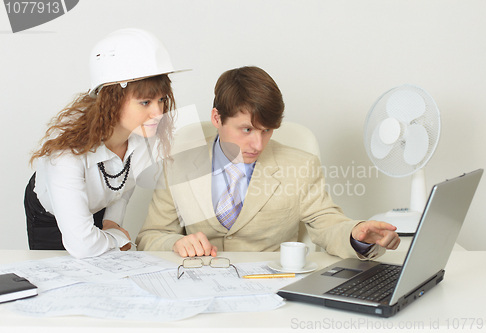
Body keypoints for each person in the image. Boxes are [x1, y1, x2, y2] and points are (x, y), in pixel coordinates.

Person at [136, 66, 400, 259]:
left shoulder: (300, 166)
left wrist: (357, 235)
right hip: (199, 285)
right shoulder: (177, 165)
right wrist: (174, 243)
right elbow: (150, 235)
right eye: (247, 130)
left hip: (271, 288)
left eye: (267, 131)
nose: (258, 145)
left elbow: (328, 224)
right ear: (217, 118)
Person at [24, 28, 185, 258]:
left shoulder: (145, 134)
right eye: (145, 102)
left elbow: (124, 182)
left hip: (99, 203)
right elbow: (82, 245)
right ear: (112, 100)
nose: (158, 113)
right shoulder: (66, 154)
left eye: (161, 100)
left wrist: (111, 222)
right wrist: (117, 237)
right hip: (49, 214)